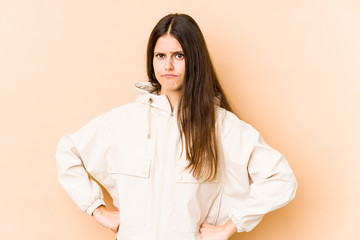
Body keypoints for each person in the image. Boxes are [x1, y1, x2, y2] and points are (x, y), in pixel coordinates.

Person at [56, 13, 297, 240]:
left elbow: (281, 179)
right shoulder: (123, 121)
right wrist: (97, 209)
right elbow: (68, 150)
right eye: (160, 56)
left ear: (194, 60)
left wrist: (229, 227)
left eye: (179, 56)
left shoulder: (222, 127)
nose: (168, 66)